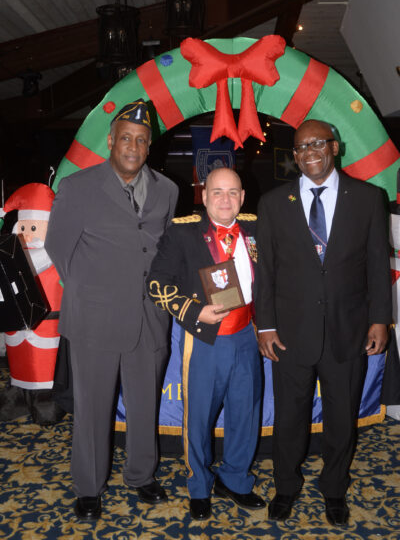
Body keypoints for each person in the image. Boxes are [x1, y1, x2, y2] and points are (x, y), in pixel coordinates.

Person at [45, 99, 178, 521]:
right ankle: (88, 486)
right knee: (92, 407)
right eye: (125, 138)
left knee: (144, 405)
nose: (133, 146)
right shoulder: (78, 187)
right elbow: (57, 248)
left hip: (149, 319)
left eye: (141, 140)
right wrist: (95, 290)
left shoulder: (168, 190)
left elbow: (164, 251)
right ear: (111, 140)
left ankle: (141, 475)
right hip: (95, 320)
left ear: (149, 145)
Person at [256, 119, 391, 526]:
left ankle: (334, 489)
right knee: (289, 418)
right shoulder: (274, 203)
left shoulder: (369, 198)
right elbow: (267, 273)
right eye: (300, 147)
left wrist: (380, 319)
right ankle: (285, 486)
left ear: (335, 147)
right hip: (291, 334)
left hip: (348, 331)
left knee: (340, 417)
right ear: (294, 156)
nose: (309, 152)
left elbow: (376, 266)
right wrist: (265, 326)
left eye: (317, 143)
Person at [147, 167, 265, 520]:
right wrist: (194, 311)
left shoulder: (256, 229)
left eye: (232, 192)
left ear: (242, 197)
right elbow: (155, 283)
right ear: (204, 195)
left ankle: (236, 480)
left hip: (246, 336)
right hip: (204, 341)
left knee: (246, 414)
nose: (225, 199)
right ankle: (199, 485)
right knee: (198, 418)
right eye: (217, 192)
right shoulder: (183, 232)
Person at [0, 183, 65, 426]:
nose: (27, 234)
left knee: (46, 368)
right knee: (18, 361)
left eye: (34, 228)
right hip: (16, 328)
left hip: (45, 326)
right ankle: (18, 391)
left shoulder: (52, 254)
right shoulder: (11, 255)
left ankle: (47, 398)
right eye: (23, 227)